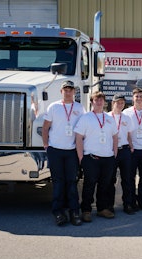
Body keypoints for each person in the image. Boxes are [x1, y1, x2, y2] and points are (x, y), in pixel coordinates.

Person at [42, 80, 84, 226]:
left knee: (72, 182)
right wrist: (46, 145)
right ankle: (58, 212)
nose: (68, 92)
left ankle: (74, 211)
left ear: (74, 92)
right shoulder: (54, 107)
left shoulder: (80, 107)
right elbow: (45, 127)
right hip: (56, 150)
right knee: (58, 182)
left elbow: (82, 130)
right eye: (65, 90)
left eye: (70, 90)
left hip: (72, 151)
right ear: (61, 92)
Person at [74, 91, 118, 222]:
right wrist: (81, 157)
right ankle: (86, 210)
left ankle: (102, 209)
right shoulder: (86, 118)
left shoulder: (109, 118)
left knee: (105, 185)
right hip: (91, 158)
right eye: (96, 100)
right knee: (89, 185)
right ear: (92, 102)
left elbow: (115, 137)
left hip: (108, 158)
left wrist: (114, 154)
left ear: (104, 102)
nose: (99, 102)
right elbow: (78, 138)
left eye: (101, 100)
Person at [108, 93, 135, 215]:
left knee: (127, 179)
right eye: (118, 102)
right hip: (111, 151)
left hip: (124, 150)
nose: (120, 104)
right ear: (113, 103)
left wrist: (131, 146)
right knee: (110, 179)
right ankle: (109, 205)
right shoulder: (107, 117)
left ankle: (128, 204)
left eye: (122, 102)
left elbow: (129, 134)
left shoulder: (127, 118)